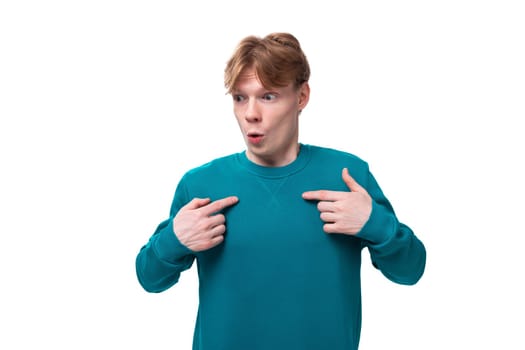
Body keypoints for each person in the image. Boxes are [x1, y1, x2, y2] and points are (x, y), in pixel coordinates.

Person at [135, 32, 426, 350]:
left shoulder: (347, 176)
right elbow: (150, 279)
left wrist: (376, 224)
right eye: (240, 97)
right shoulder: (201, 184)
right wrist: (172, 241)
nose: (250, 114)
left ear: (302, 97)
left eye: (268, 96)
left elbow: (410, 271)